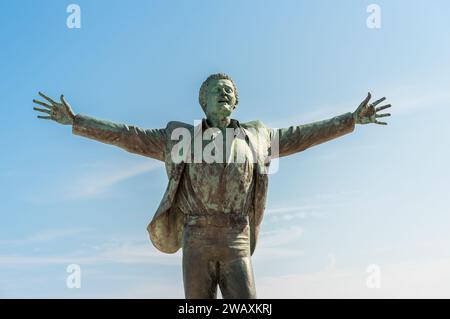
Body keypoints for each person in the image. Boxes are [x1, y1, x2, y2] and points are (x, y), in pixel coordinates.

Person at [33, 73, 391, 298]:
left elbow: (301, 136)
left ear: (236, 102)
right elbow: (129, 136)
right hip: (196, 238)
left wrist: (351, 120)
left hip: (236, 237)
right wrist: (77, 121)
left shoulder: (258, 136)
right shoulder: (180, 137)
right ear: (202, 102)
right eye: (215, 90)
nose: (223, 93)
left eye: (228, 90)